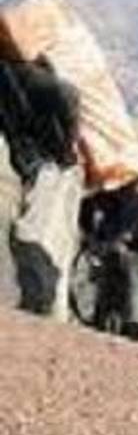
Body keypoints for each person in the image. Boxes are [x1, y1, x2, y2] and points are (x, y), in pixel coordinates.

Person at [0, 57, 84, 322]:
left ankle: (46, 309)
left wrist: (66, 149)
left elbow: (69, 104)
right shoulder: (23, 85)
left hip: (51, 170)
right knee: (39, 238)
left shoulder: (26, 83)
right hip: (44, 170)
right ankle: (42, 306)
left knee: (36, 236)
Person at [75, 175, 138, 340]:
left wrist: (95, 239)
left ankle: (113, 328)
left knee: (120, 299)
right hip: (125, 255)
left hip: (124, 254)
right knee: (130, 301)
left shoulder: (109, 198)